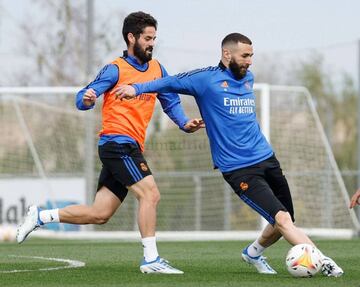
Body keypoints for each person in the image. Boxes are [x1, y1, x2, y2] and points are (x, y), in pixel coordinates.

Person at [115, 33, 344, 277]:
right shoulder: (204, 79)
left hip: (267, 158)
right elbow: (167, 82)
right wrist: (135, 88)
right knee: (283, 219)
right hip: (239, 169)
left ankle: (253, 252)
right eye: (245, 56)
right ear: (227, 54)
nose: (250, 61)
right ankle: (324, 261)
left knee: (283, 222)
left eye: (251, 56)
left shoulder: (248, 78)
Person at [16, 11, 204, 274]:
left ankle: (41, 216)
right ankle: (151, 260)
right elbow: (82, 97)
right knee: (151, 194)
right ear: (131, 37)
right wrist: (88, 99)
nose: (152, 43)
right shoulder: (116, 68)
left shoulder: (158, 69)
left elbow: (170, 101)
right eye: (148, 38)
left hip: (131, 147)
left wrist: (184, 123)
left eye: (154, 38)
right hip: (116, 144)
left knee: (100, 214)